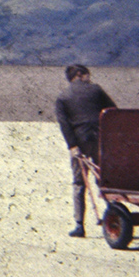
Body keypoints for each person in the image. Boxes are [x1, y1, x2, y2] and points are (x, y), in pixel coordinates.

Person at [55, 64, 117, 237]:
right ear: (81, 74)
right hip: (100, 139)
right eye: (88, 75)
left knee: (79, 183)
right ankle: (114, 215)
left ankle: (79, 225)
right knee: (103, 179)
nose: (89, 78)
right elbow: (113, 111)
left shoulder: (62, 97)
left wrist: (72, 146)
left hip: (79, 142)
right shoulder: (96, 90)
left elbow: (64, 124)